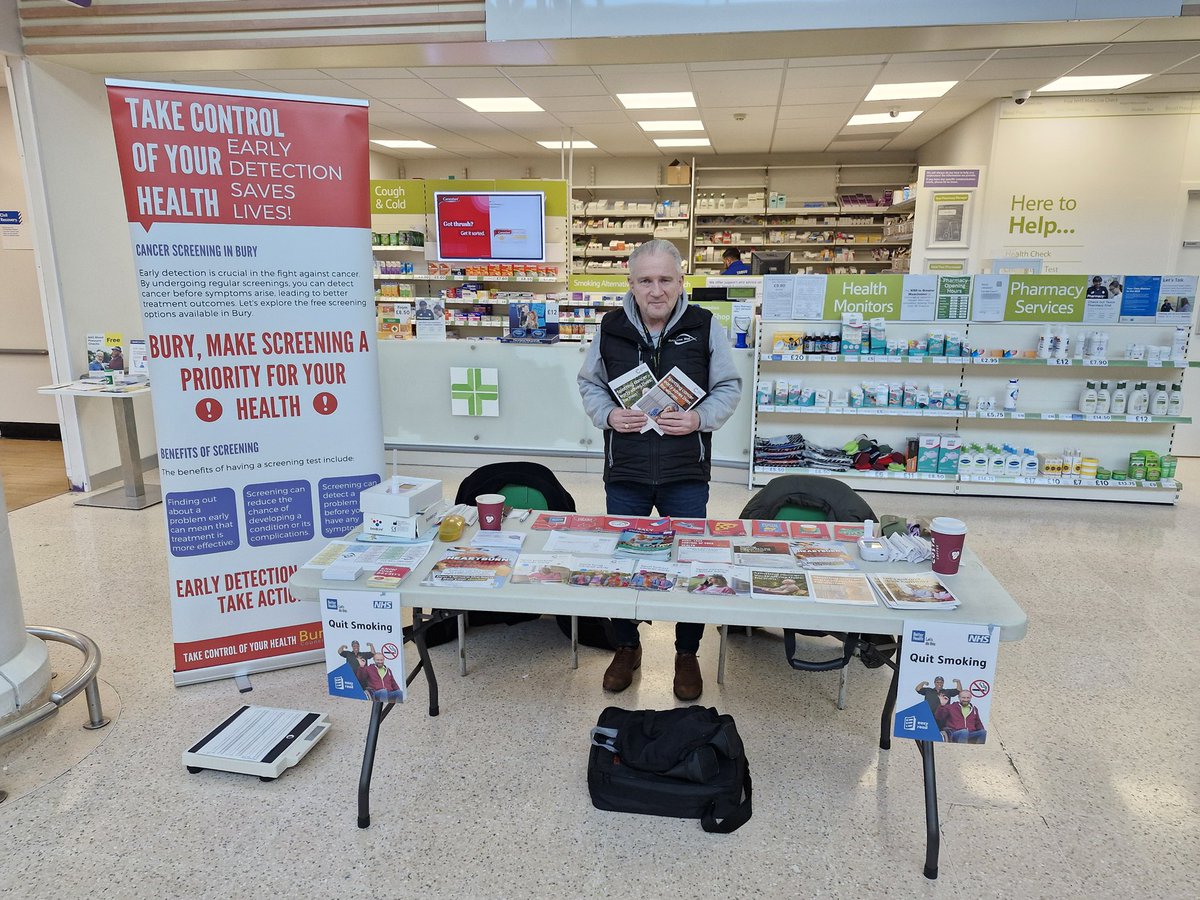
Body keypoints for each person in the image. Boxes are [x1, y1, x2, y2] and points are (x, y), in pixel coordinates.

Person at [577, 239, 742, 701]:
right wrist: (608, 416)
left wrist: (698, 418)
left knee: (693, 562)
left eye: (665, 279)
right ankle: (627, 647)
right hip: (626, 470)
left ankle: (686, 652)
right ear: (630, 284)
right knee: (622, 562)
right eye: (645, 280)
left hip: (685, 470)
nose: (656, 290)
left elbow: (728, 386)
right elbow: (590, 385)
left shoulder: (705, 325)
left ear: (680, 281)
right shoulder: (609, 328)